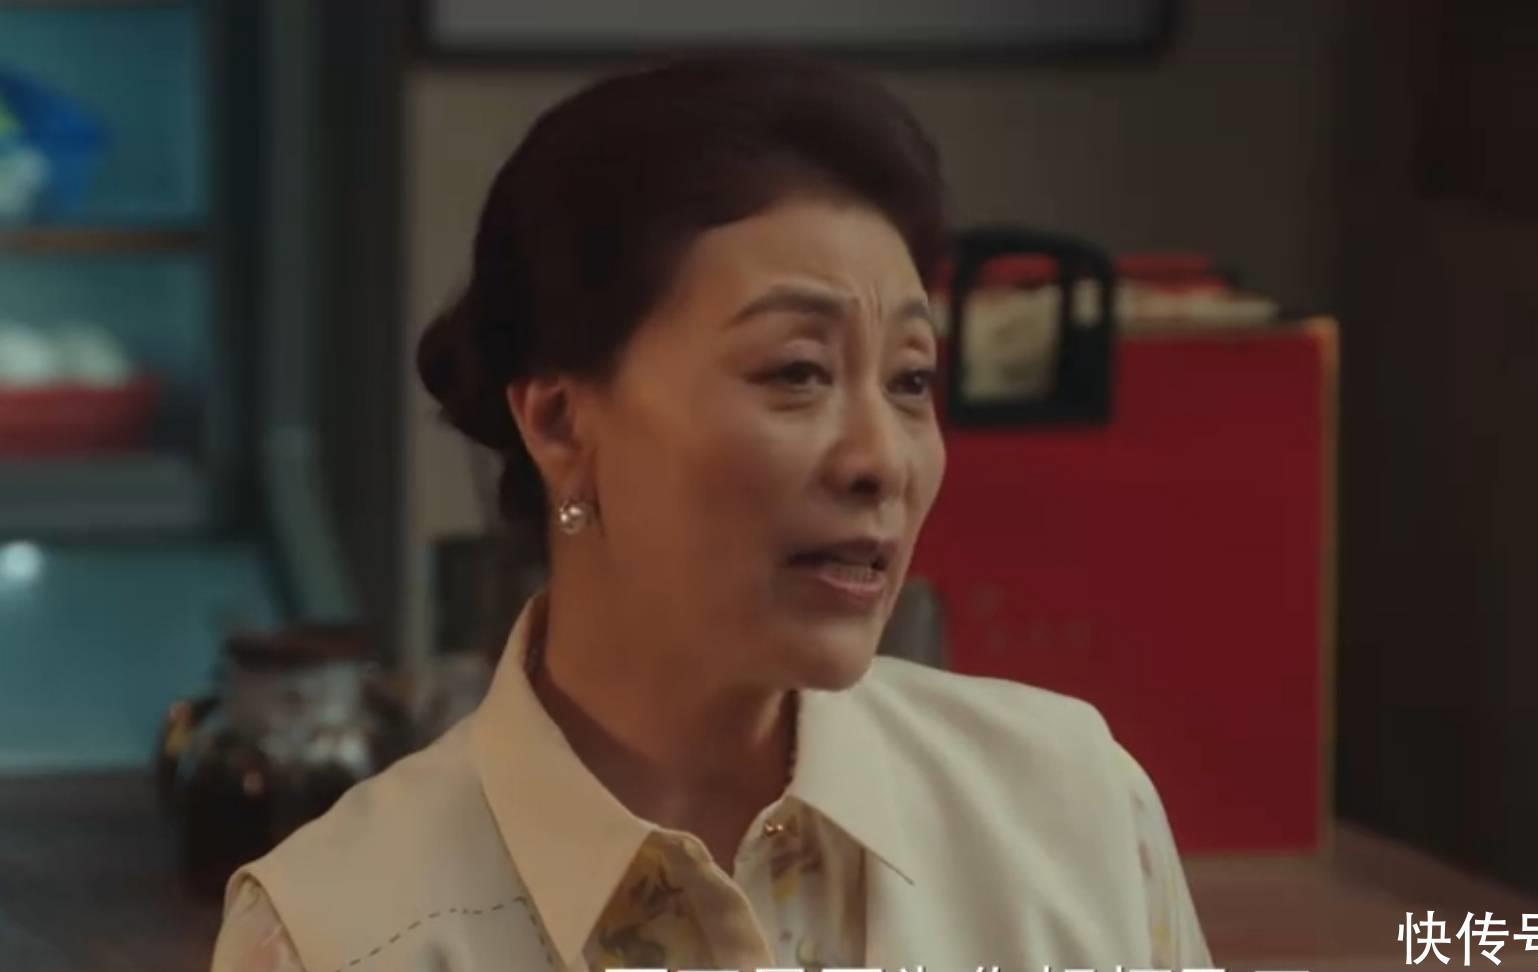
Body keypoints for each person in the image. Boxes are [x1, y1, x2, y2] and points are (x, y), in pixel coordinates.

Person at [210, 55, 1211, 972]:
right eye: (796, 371)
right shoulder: (336, 934)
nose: (880, 460)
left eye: (911, 381)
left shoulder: (1075, 817)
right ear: (559, 422)